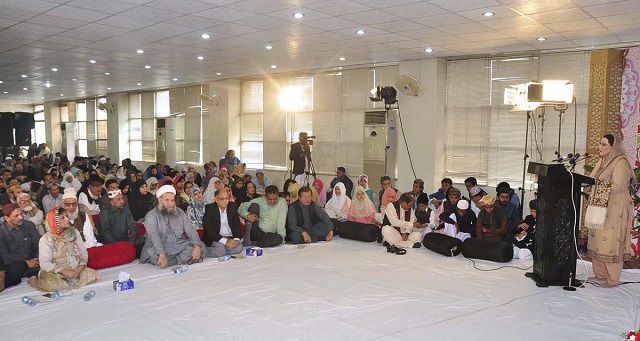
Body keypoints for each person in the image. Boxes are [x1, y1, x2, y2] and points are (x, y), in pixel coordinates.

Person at [585, 134, 635, 288]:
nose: (599, 146)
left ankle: (612, 279)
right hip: (601, 208)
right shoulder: (603, 160)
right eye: (599, 143)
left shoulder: (620, 162)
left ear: (613, 147)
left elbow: (618, 186)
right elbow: (592, 179)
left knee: (611, 242)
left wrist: (598, 186)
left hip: (616, 208)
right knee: (597, 239)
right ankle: (600, 274)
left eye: (603, 144)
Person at [28, 207, 100, 292]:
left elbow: (83, 254)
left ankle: (69, 282)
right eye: (62, 218)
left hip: (74, 269)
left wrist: (78, 269)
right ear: (54, 222)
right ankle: (34, 281)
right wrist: (65, 272)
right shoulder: (46, 239)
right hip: (55, 272)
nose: (67, 219)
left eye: (67, 216)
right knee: (53, 286)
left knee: (93, 275)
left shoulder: (74, 232)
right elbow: (45, 263)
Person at [140, 185, 205, 268]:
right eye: (167, 200)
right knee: (153, 255)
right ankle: (182, 258)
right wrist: (162, 254)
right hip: (159, 245)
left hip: (178, 243)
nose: (170, 204)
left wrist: (196, 245)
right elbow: (154, 237)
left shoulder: (180, 212)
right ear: (159, 200)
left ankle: (174, 260)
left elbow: (191, 230)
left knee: (201, 246)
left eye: (172, 200)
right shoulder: (151, 215)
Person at [0, 203, 40, 291]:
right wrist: (26, 262)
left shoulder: (29, 225)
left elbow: (38, 245)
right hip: (17, 266)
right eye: (16, 216)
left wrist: (36, 259)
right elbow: (4, 256)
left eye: (21, 214)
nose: (21, 217)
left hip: (35, 263)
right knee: (15, 269)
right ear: (7, 218)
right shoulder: (1, 232)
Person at [202, 188, 244, 258]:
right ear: (216, 199)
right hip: (216, 238)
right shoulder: (209, 209)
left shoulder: (232, 206)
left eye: (227, 198)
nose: (225, 201)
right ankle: (204, 250)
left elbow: (237, 225)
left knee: (239, 248)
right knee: (221, 251)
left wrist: (235, 240)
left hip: (229, 237)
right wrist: (225, 242)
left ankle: (221, 250)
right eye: (222, 199)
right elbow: (208, 230)